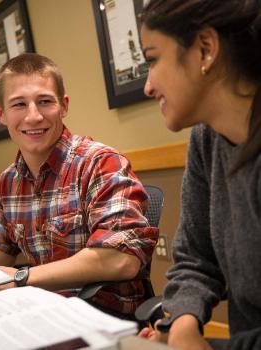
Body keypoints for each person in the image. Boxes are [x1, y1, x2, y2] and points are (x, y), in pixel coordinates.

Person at [0, 52, 159, 320]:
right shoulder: (7, 183)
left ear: (63, 105)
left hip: (105, 317)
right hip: (41, 314)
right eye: (19, 104)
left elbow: (121, 259)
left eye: (44, 102)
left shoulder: (100, 163)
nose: (34, 116)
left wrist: (22, 277)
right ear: (0, 113)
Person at [138, 0, 261, 349]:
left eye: (153, 59)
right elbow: (196, 258)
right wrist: (180, 325)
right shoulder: (207, 140)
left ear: (205, 49)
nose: (147, 87)